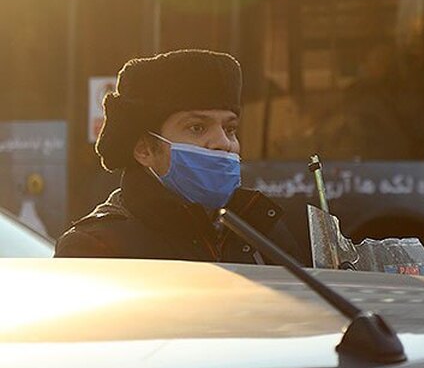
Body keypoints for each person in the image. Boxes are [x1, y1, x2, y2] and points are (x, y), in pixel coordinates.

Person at [56, 49, 302, 263]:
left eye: (230, 129)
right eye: (197, 127)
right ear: (144, 150)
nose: (223, 143)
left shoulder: (262, 231)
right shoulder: (96, 246)